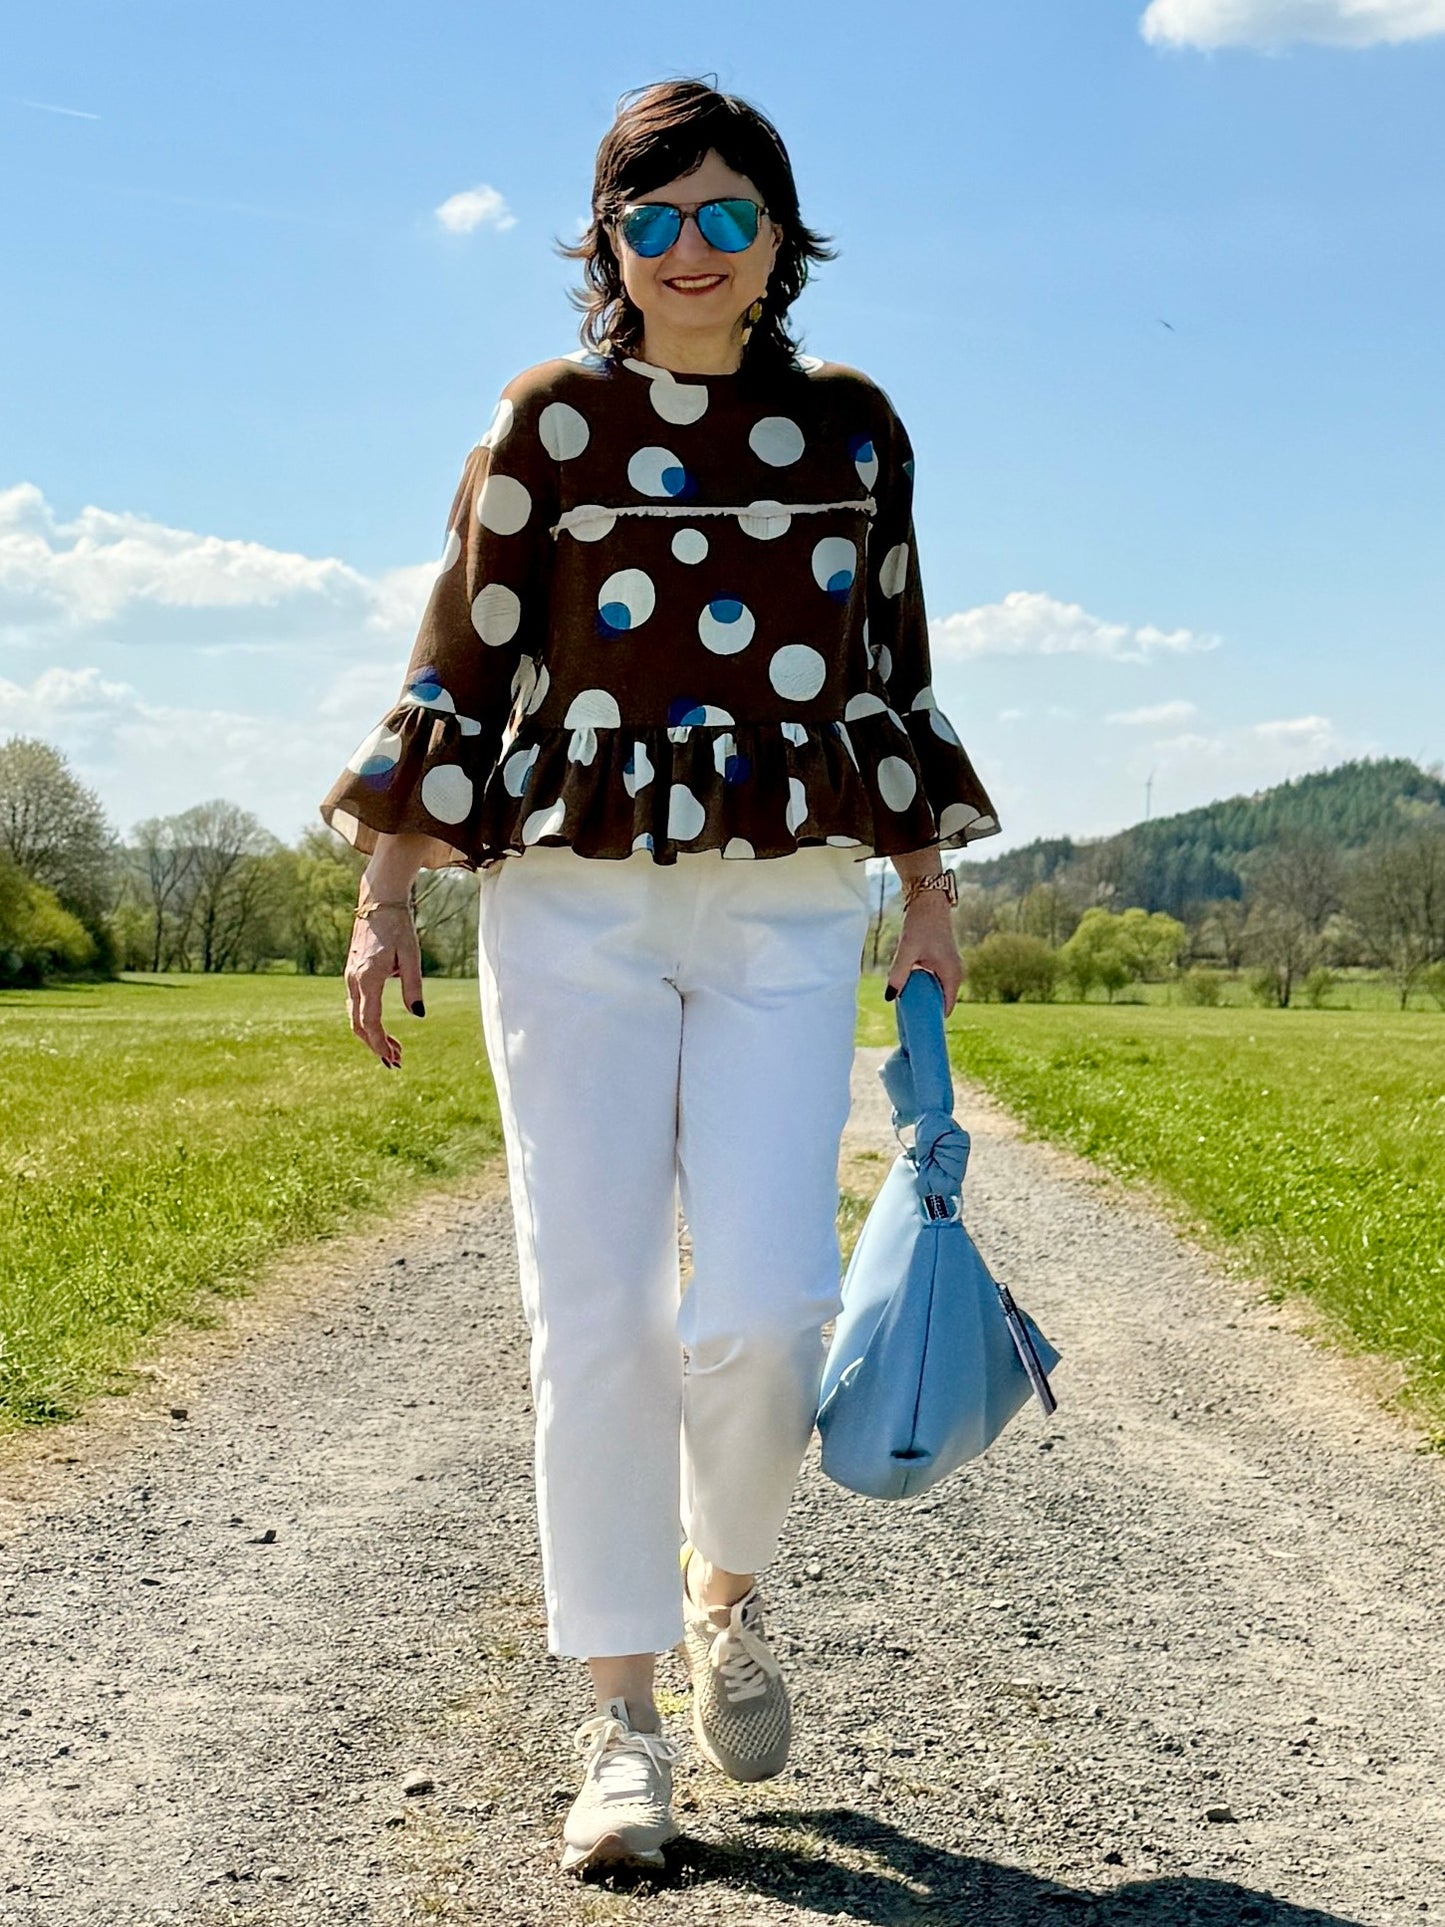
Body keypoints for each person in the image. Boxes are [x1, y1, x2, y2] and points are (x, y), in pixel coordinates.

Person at [319, 77, 1001, 1878]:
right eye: (655, 218)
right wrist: (386, 894)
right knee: (598, 1313)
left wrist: (925, 891)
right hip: (573, 906)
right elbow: (459, 665)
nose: (691, 249)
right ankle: (618, 1723)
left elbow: (890, 673)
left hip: (787, 903)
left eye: (726, 216)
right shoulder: (548, 419)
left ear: (778, 241)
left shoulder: (851, 428)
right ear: (608, 243)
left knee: (768, 1307)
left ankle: (723, 1591)